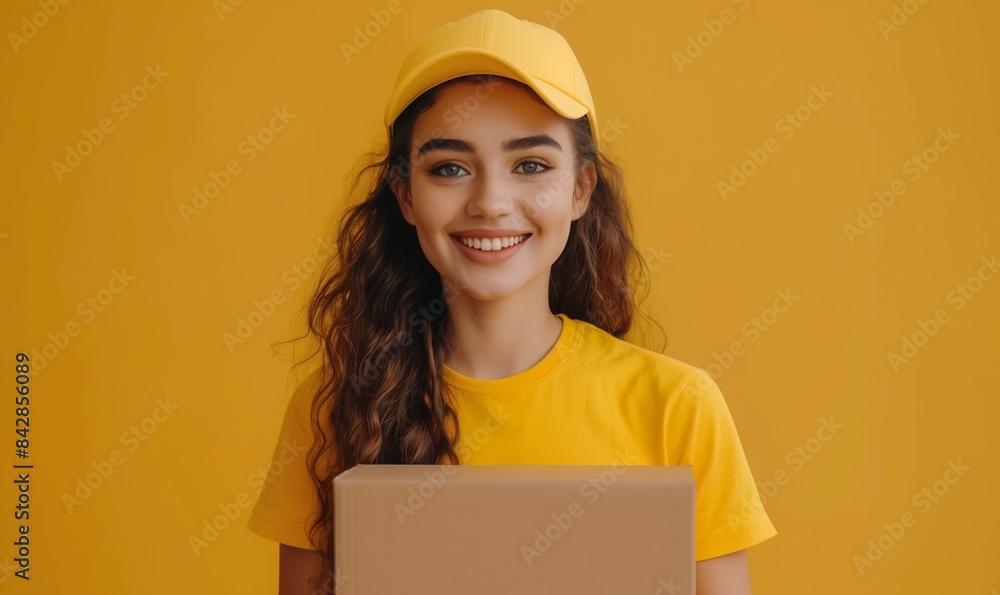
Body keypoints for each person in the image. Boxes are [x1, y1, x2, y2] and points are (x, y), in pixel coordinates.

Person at [247, 8, 776, 594]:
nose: (491, 202)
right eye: (450, 168)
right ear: (405, 195)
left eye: (530, 165)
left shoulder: (679, 407)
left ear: (580, 189)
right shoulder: (335, 408)